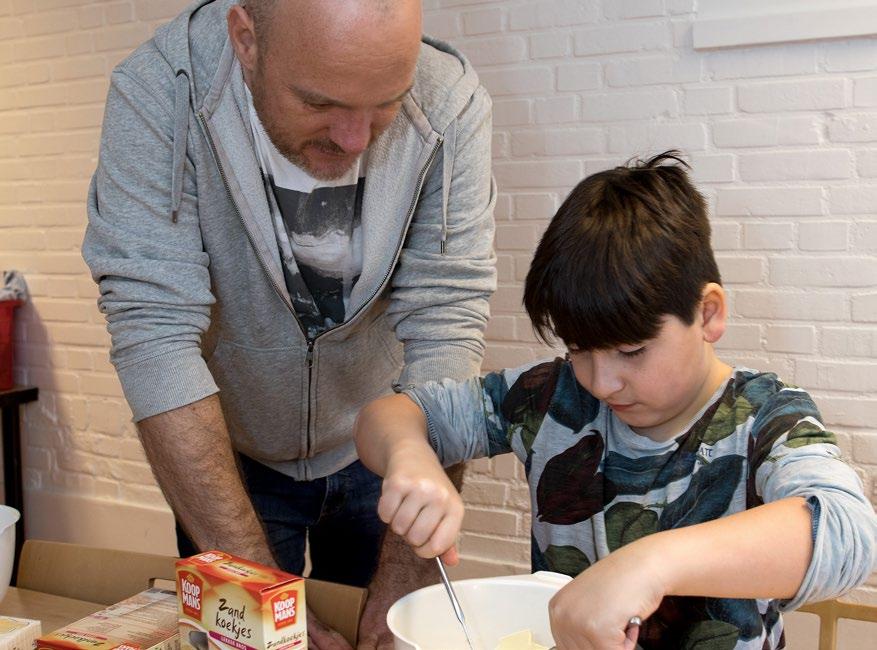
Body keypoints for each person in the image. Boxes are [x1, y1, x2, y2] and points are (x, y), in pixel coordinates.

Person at [82, 0, 496, 647]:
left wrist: (409, 575)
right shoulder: (160, 93)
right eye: (320, 104)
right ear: (246, 41)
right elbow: (154, 333)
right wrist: (257, 598)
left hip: (384, 445)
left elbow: (447, 319)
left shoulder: (449, 99)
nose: (356, 138)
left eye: (386, 101)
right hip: (230, 452)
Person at [354, 152, 877, 649]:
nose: (602, 382)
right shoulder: (550, 398)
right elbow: (393, 414)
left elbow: (847, 533)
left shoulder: (764, 417)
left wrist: (651, 563)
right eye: (580, 350)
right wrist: (410, 459)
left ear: (709, 313)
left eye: (631, 351)